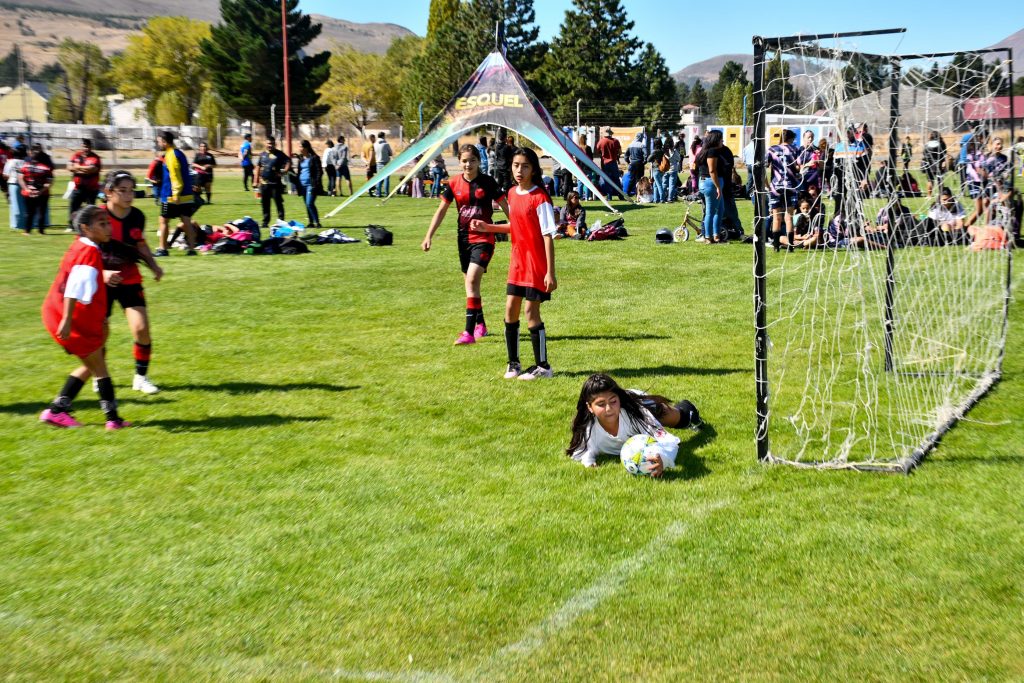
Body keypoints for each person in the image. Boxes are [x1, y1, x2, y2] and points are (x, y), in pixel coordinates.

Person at [469, 147, 557, 380]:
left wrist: (550, 272)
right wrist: (488, 227)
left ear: (534, 169)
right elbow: (516, 226)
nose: (520, 170)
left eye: (525, 166)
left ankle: (543, 367)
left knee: (531, 311)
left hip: (535, 265)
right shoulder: (511, 193)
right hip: (517, 264)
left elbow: (548, 235)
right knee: (510, 311)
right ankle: (513, 363)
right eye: (516, 165)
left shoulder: (540, 197)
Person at [39, 205, 130, 430]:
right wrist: (67, 320)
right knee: (100, 368)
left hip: (59, 313)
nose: (108, 228)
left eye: (108, 223)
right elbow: (73, 288)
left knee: (95, 362)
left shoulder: (81, 245)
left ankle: (58, 409)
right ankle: (112, 420)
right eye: (102, 224)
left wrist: (103, 275)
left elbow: (77, 274)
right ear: (85, 228)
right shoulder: (89, 252)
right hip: (72, 320)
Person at [421, 144, 509, 345]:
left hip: (484, 239)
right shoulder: (453, 183)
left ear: (479, 161)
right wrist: (428, 236)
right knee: (471, 286)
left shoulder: (487, 182)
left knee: (471, 281)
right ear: (459, 162)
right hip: (463, 239)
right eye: (464, 161)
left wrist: (519, 229)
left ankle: (468, 333)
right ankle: (481, 325)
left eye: (472, 160)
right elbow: (442, 210)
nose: (468, 164)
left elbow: (506, 207)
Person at [100, 170, 164, 395]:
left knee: (142, 329)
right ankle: (100, 377)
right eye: (122, 191)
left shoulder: (136, 216)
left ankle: (141, 377)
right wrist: (103, 273)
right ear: (108, 192)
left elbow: (140, 244)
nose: (129, 196)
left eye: (131, 190)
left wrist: (153, 265)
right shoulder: (95, 216)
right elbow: (81, 252)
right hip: (100, 283)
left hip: (129, 278)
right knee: (101, 333)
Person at [565, 373, 702, 474]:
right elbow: (582, 452)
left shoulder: (636, 416)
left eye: (613, 401)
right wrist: (588, 463)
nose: (608, 409)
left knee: (677, 417)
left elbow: (669, 442)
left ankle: (687, 411)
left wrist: (663, 460)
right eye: (600, 404)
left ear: (618, 399)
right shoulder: (587, 428)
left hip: (638, 404)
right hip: (631, 406)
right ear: (590, 407)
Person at [151, 131, 196, 256]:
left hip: (172, 196)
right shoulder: (180, 153)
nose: (158, 143)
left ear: (165, 142)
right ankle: (191, 250)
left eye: (159, 141)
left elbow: (175, 176)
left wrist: (176, 194)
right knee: (187, 222)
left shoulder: (171, 155)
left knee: (163, 221)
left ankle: (162, 249)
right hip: (186, 194)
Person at [767, 129, 800, 250]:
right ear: (791, 139)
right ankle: (791, 246)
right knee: (789, 217)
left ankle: (776, 246)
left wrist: (767, 184)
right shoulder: (795, 149)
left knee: (776, 217)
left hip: (775, 186)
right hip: (791, 186)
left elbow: (765, 166)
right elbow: (798, 167)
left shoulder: (771, 149)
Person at [67, 138, 102, 232]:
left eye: (87, 146)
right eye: (84, 146)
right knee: (73, 207)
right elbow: (69, 167)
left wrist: (77, 167)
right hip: (78, 187)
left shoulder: (95, 158)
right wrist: (83, 169)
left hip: (91, 188)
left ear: (90, 147)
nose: (85, 148)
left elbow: (92, 169)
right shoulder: (76, 155)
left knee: (91, 208)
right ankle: (71, 226)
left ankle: (90, 225)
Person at [696, 129, 724, 243]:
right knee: (711, 212)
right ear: (715, 139)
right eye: (721, 138)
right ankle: (708, 237)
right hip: (711, 183)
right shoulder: (712, 151)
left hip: (706, 182)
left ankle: (716, 235)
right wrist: (717, 186)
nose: (722, 141)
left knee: (720, 210)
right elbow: (712, 170)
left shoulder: (703, 150)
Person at [255, 135, 290, 229]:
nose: (270, 145)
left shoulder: (280, 154)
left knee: (278, 203)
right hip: (264, 184)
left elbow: (288, 161)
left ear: (275, 144)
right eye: (268, 143)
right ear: (265, 144)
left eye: (272, 143)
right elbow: (258, 167)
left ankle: (281, 221)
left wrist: (285, 170)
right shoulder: (262, 155)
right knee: (265, 204)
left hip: (275, 184)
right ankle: (265, 222)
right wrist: (255, 181)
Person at [18, 143, 52, 235]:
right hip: (32, 193)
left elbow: (49, 182)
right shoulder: (25, 166)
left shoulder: (45, 167)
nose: (34, 155)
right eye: (33, 152)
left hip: (41, 193)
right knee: (30, 212)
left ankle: (39, 231)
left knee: (38, 213)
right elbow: (20, 178)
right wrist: (27, 189)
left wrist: (39, 191)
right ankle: (30, 231)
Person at [298, 139, 324, 229]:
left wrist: (315, 183)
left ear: (306, 148)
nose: (299, 148)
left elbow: (319, 172)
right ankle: (310, 222)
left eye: (301, 146)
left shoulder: (314, 158)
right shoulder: (300, 158)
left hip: (311, 185)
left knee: (310, 203)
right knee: (307, 204)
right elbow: (299, 171)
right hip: (302, 185)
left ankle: (317, 222)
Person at [595, 127, 624, 200]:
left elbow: (597, 151)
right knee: (616, 180)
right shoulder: (615, 141)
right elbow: (620, 152)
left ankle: (609, 196)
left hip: (605, 163)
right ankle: (621, 195)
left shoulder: (601, 142)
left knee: (607, 180)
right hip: (613, 162)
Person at [4, 144, 26, 230]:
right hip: (24, 184)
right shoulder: (26, 161)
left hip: (13, 184)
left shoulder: (10, 162)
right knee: (24, 205)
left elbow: (5, 174)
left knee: (15, 205)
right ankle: (24, 223)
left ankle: (16, 224)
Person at [922, 131, 947, 196]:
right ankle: (941, 194)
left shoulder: (927, 144)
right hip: (938, 163)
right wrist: (944, 162)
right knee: (940, 180)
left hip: (928, 164)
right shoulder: (941, 143)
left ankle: (929, 195)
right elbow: (944, 154)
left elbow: (924, 153)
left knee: (930, 180)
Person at [625, 132, 646, 196]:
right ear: (641, 138)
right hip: (640, 164)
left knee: (632, 179)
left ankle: (627, 193)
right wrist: (644, 162)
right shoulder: (642, 145)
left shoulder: (630, 144)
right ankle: (638, 194)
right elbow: (646, 155)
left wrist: (629, 162)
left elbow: (626, 155)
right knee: (639, 179)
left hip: (632, 164)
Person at [373, 132, 393, 197]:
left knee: (379, 178)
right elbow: (390, 153)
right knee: (386, 178)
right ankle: (386, 193)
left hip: (378, 162)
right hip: (386, 162)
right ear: (383, 136)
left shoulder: (375, 144)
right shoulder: (386, 144)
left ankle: (378, 193)